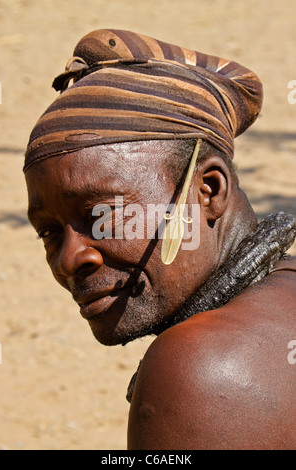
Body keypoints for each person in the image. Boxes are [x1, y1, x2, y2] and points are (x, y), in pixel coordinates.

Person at [24, 29, 296, 450]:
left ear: (208, 190)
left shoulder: (201, 369)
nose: (69, 259)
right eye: (49, 232)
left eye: (104, 215)